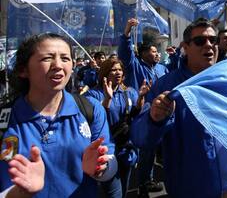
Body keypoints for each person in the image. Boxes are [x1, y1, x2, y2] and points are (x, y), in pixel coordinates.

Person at [130, 18, 227, 198]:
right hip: (190, 189)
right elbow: (140, 137)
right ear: (185, 47)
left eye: (213, 40)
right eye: (200, 41)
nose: (209, 45)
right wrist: (154, 119)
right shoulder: (166, 87)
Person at [0, 33, 117, 197]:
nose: (58, 65)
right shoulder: (5, 120)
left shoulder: (90, 109)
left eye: (65, 58)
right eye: (47, 58)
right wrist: (19, 192)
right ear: (23, 70)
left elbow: (110, 162)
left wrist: (100, 168)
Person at [118, 18, 168, 195]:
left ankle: (148, 179)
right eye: (153, 51)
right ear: (143, 53)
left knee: (153, 150)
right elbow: (125, 54)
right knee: (143, 150)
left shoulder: (162, 69)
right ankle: (141, 184)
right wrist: (127, 32)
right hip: (141, 114)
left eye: (157, 51)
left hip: (160, 115)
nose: (157, 54)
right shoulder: (136, 67)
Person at [84, 59, 146, 198]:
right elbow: (96, 121)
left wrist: (141, 98)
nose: (117, 72)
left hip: (126, 149)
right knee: (113, 192)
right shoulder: (93, 95)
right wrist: (107, 100)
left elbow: (134, 116)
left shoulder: (129, 92)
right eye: (113, 70)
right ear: (104, 73)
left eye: (120, 69)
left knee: (124, 187)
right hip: (107, 149)